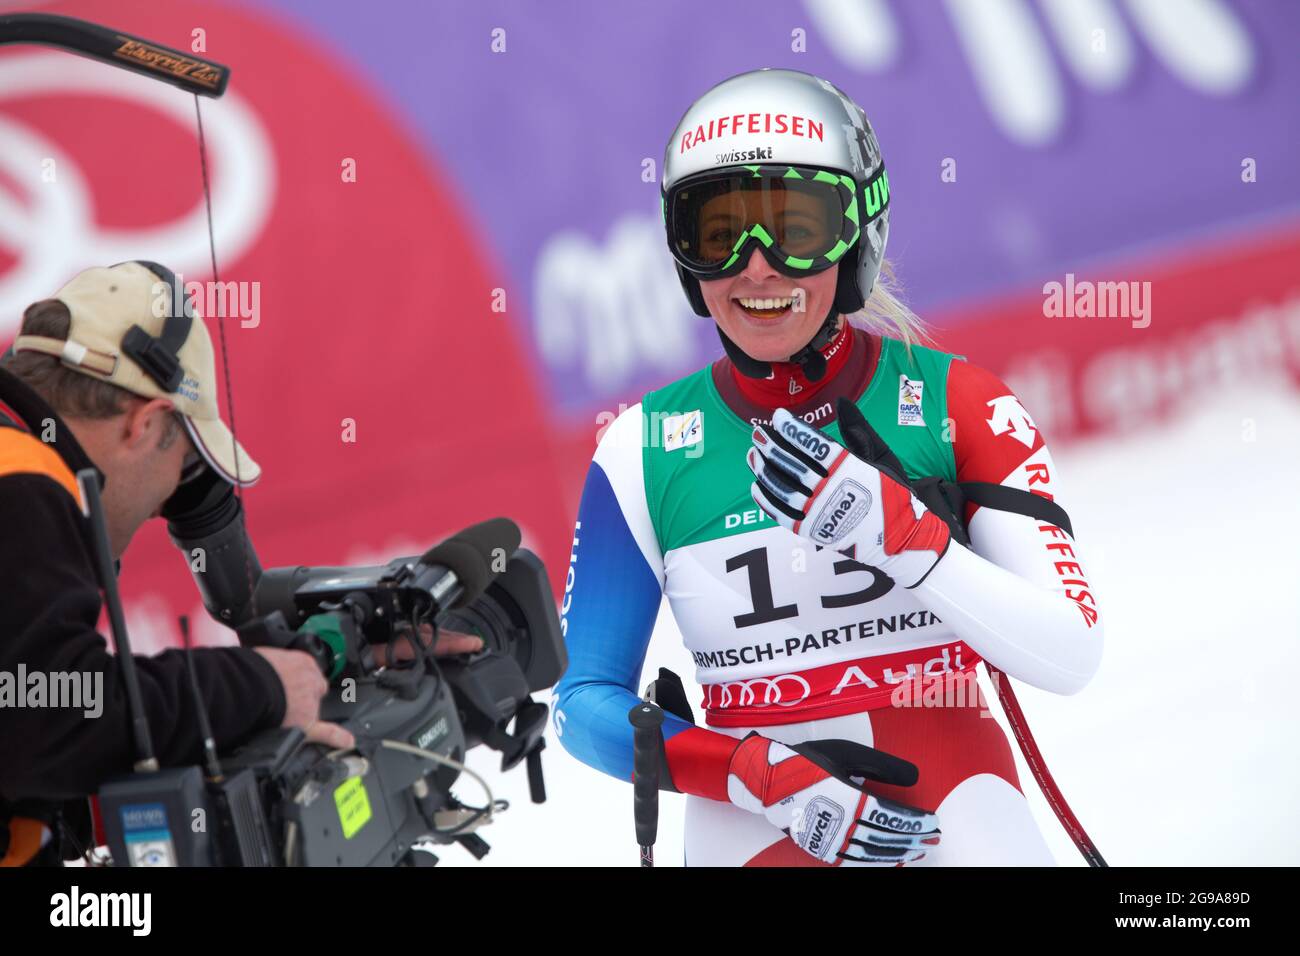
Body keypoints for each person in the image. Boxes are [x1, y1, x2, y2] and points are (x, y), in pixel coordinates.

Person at [553, 69, 1103, 866]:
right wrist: (755, 773)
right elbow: (581, 704)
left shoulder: (958, 402)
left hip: (956, 799)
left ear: (858, 237)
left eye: (797, 227)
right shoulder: (639, 448)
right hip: (754, 813)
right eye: (718, 233)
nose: (757, 266)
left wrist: (907, 540)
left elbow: (1070, 652)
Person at [0, 262, 478, 866]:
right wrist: (262, 685)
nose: (163, 508)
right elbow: (52, 714)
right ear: (146, 425)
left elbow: (24, 741)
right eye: (184, 470)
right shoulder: (21, 477)